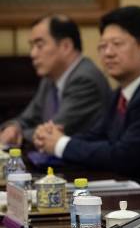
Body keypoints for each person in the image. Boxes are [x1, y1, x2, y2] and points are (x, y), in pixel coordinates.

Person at [34, 6, 140, 198]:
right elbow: (97, 135)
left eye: (117, 44)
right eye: (103, 46)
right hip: (135, 200)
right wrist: (53, 137)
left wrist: (61, 143)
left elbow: (121, 157)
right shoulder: (121, 92)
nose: (108, 53)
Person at [0, 15, 110, 146]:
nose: (33, 54)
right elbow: (27, 118)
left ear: (66, 46)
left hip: (85, 164)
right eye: (32, 46)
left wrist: (19, 133)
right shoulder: (50, 78)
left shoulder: (85, 80)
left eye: (39, 45)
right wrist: (13, 127)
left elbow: (51, 133)